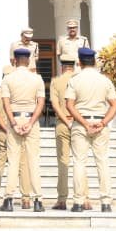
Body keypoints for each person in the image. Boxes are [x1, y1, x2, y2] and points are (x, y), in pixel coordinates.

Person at [64, 47, 116, 212]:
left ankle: (78, 202)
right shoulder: (105, 80)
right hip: (100, 124)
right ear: (94, 62)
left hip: (82, 124)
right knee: (102, 162)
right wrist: (103, 123)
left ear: (79, 62)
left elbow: (69, 104)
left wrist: (84, 123)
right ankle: (106, 202)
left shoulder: (75, 79)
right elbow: (114, 104)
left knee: (79, 162)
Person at [0, 47, 45, 212]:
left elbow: (5, 102)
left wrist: (13, 123)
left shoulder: (8, 79)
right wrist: (31, 122)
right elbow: (41, 103)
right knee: (33, 161)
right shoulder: (37, 78)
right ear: (29, 59)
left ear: (15, 60)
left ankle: (9, 199)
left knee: (13, 161)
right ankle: (38, 200)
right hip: (31, 119)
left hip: (15, 119)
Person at [0, 65, 32, 210]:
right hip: (18, 132)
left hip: (2, 132)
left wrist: (6, 128)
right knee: (22, 166)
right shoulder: (20, 91)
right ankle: (26, 199)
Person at [47, 51, 76, 210]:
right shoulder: (79, 79)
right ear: (74, 65)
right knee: (80, 162)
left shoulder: (56, 81)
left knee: (63, 162)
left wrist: (66, 121)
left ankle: (62, 200)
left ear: (62, 66)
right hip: (79, 123)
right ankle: (83, 198)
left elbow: (55, 105)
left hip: (62, 123)